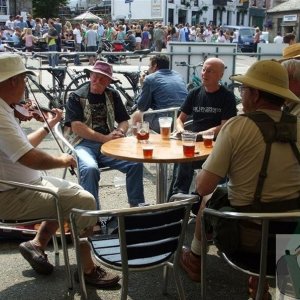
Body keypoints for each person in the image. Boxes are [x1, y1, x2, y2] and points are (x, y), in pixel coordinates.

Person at [180, 60, 300, 297]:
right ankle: (279, 287)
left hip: (246, 243)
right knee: (289, 287)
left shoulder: (237, 127)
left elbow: (203, 186)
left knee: (212, 197)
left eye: (244, 89)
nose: (241, 94)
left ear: (255, 95)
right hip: (294, 236)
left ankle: (194, 258)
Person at [0, 53, 120, 288]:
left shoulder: (5, 108)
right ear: (13, 81)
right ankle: (87, 270)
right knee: (83, 201)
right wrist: (61, 160)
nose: (26, 88)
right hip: (11, 193)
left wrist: (48, 125)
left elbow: (23, 145)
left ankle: (37, 243)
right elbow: (29, 157)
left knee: (70, 191)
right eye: (24, 81)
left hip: (24, 185)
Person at [64, 61, 145, 210]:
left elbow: (123, 121)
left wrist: (120, 131)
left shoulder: (112, 94)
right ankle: (92, 214)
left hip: (109, 144)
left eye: (103, 79)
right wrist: (104, 138)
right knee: (90, 169)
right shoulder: (76, 96)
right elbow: (76, 127)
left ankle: (136, 207)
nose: (97, 81)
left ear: (109, 81)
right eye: (95, 76)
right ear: (90, 75)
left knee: (135, 163)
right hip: (82, 143)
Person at [168, 57, 237, 199]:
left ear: (220, 75)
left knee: (186, 158)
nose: (204, 73)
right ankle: (177, 198)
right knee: (183, 156)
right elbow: (180, 119)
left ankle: (195, 199)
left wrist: (199, 135)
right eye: (204, 69)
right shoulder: (194, 92)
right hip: (193, 142)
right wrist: (181, 130)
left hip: (216, 144)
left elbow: (225, 126)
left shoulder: (227, 97)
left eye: (210, 71)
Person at [131, 54, 188, 132]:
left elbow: (142, 107)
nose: (148, 69)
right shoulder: (178, 76)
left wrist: (142, 86)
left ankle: (138, 142)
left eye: (149, 66)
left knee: (136, 115)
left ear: (155, 66)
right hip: (184, 119)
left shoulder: (150, 78)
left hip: (167, 121)